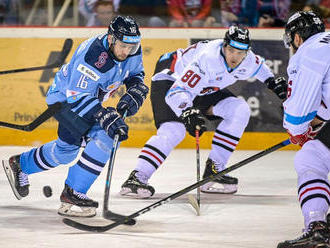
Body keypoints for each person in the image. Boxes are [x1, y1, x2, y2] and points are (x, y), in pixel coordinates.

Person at [1, 15, 149, 217]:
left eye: (131, 47)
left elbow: (135, 74)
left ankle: (21, 164)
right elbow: (77, 96)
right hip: (65, 101)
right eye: (123, 46)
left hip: (88, 99)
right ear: (111, 38)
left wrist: (136, 90)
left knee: (67, 151)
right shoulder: (93, 56)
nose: (127, 52)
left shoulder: (132, 47)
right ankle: (73, 192)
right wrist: (103, 115)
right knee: (102, 137)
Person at [119, 25, 288, 198]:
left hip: (203, 88)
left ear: (247, 51)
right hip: (171, 79)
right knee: (174, 130)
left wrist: (272, 82)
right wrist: (187, 112)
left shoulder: (249, 59)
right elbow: (177, 92)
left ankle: (214, 170)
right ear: (224, 46)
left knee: (239, 109)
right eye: (231, 50)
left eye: (240, 52)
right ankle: (137, 177)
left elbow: (261, 69)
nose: (235, 56)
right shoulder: (207, 59)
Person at [277, 11, 330, 248]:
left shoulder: (309, 51)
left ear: (297, 37)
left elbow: (301, 105)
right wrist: (317, 122)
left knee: (310, 158)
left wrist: (297, 129)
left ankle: (316, 226)